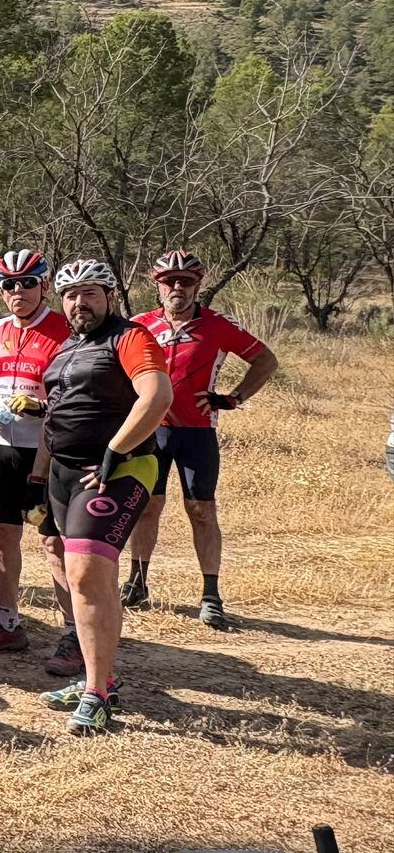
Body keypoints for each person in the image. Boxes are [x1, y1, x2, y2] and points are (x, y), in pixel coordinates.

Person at [35, 258, 174, 735]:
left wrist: (117, 449)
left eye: (89, 293)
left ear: (109, 295)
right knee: (82, 579)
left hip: (117, 468)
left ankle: (96, 694)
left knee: (87, 572)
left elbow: (157, 395)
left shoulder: (129, 336)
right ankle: (99, 677)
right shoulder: (67, 346)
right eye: (70, 294)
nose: (79, 302)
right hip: (63, 472)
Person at [126, 249, 278, 626]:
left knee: (202, 512)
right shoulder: (138, 325)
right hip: (150, 430)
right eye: (169, 281)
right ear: (156, 285)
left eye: (186, 281)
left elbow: (266, 360)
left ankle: (211, 595)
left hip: (197, 432)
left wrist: (233, 398)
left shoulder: (218, 325)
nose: (177, 287)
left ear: (198, 284)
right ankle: (137, 583)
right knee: (146, 505)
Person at [0, 249, 72, 660]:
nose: (18, 291)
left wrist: (45, 408)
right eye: (9, 284)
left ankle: (72, 633)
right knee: (1, 536)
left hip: (48, 454)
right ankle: (7, 622)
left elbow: (79, 396)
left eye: (28, 282)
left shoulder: (65, 330)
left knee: (53, 543)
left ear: (44, 285)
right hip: (3, 450)